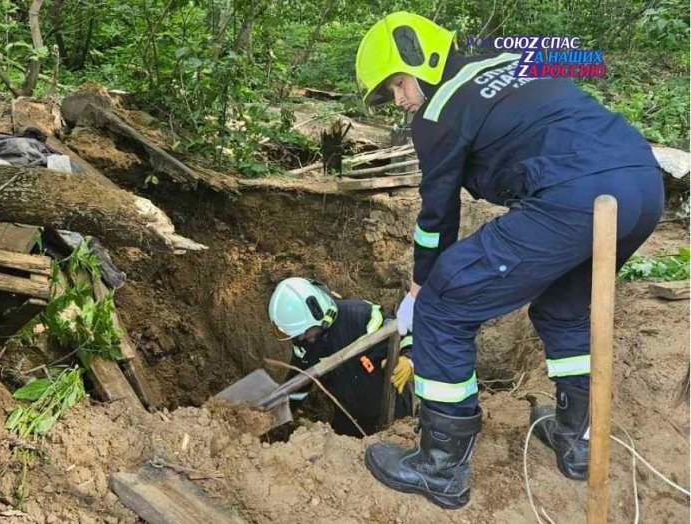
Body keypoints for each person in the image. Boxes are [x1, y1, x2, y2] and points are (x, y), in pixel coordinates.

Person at [355, 12, 664, 509]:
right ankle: (576, 439)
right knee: (561, 310)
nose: (400, 99)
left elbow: (437, 215)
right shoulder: (509, 61)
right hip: (643, 186)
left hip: (573, 196)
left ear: (421, 60)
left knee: (445, 303)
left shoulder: (438, 112)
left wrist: (418, 291)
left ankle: (440, 467)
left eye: (397, 84)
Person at [268, 277, 414, 437]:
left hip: (394, 415)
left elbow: (404, 332)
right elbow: (300, 383)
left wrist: (408, 358)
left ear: (317, 314)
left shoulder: (362, 317)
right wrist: (273, 415)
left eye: (303, 331)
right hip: (348, 425)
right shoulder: (304, 345)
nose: (301, 337)